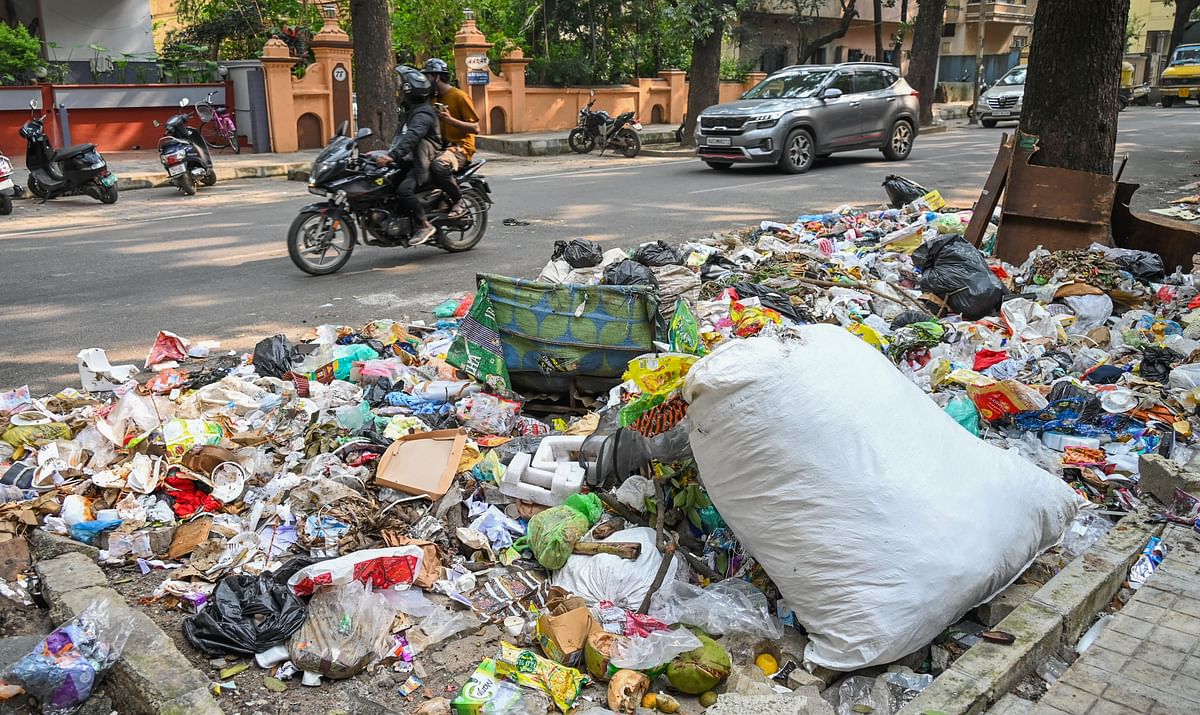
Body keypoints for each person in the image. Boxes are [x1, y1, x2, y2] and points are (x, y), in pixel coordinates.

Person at [376, 65, 441, 245]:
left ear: (409, 90)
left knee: (404, 190)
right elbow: (401, 138)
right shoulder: (412, 112)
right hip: (410, 160)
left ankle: (424, 224)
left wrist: (393, 155)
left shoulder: (423, 114)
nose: (399, 91)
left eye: (401, 88)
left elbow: (412, 137)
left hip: (423, 161)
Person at [422, 58, 479, 219]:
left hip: (460, 148)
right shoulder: (433, 99)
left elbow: (475, 128)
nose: (426, 80)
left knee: (439, 166)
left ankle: (458, 200)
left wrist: (450, 120)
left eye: (428, 77)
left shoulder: (459, 96)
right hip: (440, 147)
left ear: (437, 77)